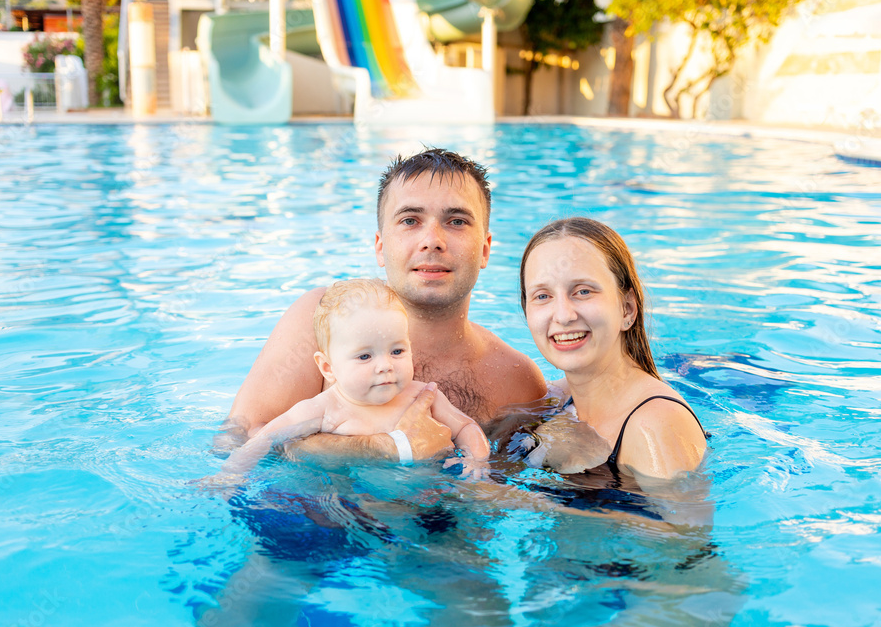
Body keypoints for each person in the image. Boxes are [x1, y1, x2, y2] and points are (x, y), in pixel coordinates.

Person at [223, 148, 546, 460]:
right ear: (380, 246)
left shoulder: (517, 381)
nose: (432, 239)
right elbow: (238, 437)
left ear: (486, 249)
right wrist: (386, 448)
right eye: (410, 220)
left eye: (457, 221)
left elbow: (498, 489)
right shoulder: (322, 318)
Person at [210, 279, 490, 484]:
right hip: (347, 506)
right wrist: (230, 474)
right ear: (328, 367)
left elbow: (466, 426)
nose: (385, 366)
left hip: (419, 506)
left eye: (397, 351)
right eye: (365, 356)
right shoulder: (323, 408)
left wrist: (476, 458)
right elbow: (266, 437)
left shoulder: (422, 396)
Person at [511, 216, 708, 482]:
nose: (563, 315)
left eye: (583, 291)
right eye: (543, 296)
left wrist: (510, 500)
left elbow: (683, 524)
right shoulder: (555, 401)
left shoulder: (656, 424)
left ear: (627, 309)